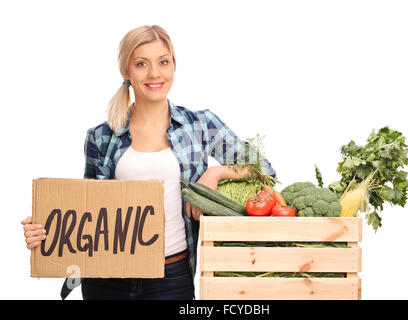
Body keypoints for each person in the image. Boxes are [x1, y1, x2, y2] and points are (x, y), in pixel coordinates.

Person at [21, 25, 277, 300]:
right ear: (126, 72)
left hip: (172, 276)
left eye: (163, 62)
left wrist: (216, 172)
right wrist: (46, 233)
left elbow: (265, 171)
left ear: (173, 67)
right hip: (106, 280)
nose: (155, 73)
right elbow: (89, 216)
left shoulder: (200, 125)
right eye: (141, 64)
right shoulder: (101, 136)